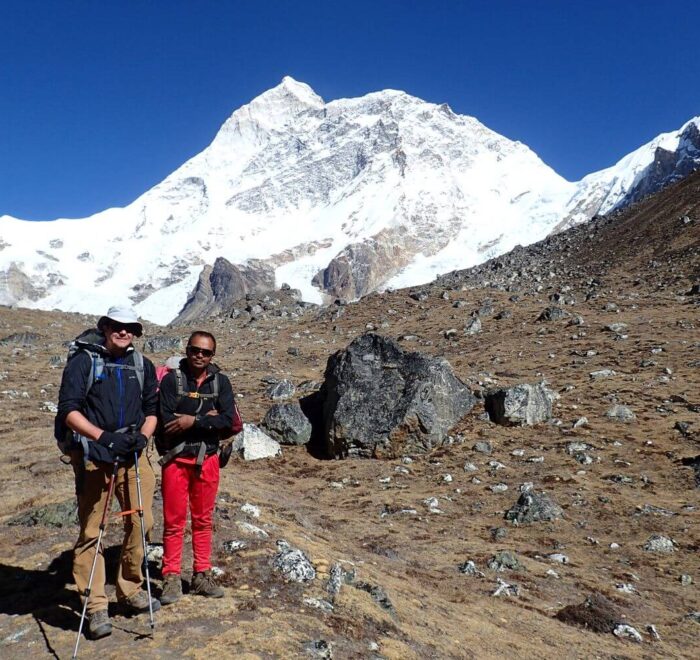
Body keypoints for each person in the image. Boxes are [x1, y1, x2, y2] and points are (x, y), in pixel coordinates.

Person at [56, 305, 160, 639]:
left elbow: (152, 410)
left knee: (142, 520)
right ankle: (96, 606)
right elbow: (69, 412)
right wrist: (104, 438)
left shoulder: (141, 365)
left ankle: (129, 589)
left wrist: (141, 438)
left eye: (131, 327)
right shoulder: (84, 362)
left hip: (132, 452)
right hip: (93, 455)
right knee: (92, 529)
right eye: (117, 325)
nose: (124, 331)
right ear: (105, 326)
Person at [158, 330, 241, 605]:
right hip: (176, 460)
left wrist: (192, 421)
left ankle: (201, 574)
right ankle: (170, 576)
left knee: (203, 520)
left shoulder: (221, 383)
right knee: (174, 521)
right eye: (195, 350)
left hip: (208, 460)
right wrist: (209, 417)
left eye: (206, 352)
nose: (199, 356)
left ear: (212, 355)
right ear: (187, 350)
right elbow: (166, 419)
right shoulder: (172, 381)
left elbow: (228, 420)